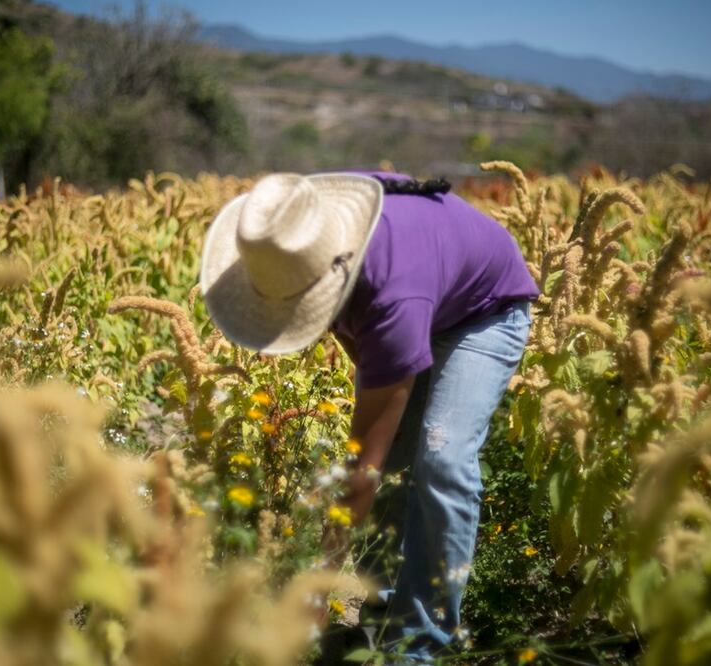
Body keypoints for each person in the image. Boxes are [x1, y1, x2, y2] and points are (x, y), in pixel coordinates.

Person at [199, 171, 538, 662]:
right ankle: (384, 615)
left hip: (485, 313)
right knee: (398, 454)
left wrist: (315, 590)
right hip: (420, 296)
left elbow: (362, 468)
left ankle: (422, 642)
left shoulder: (391, 295)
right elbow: (343, 324)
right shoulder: (304, 231)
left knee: (440, 458)